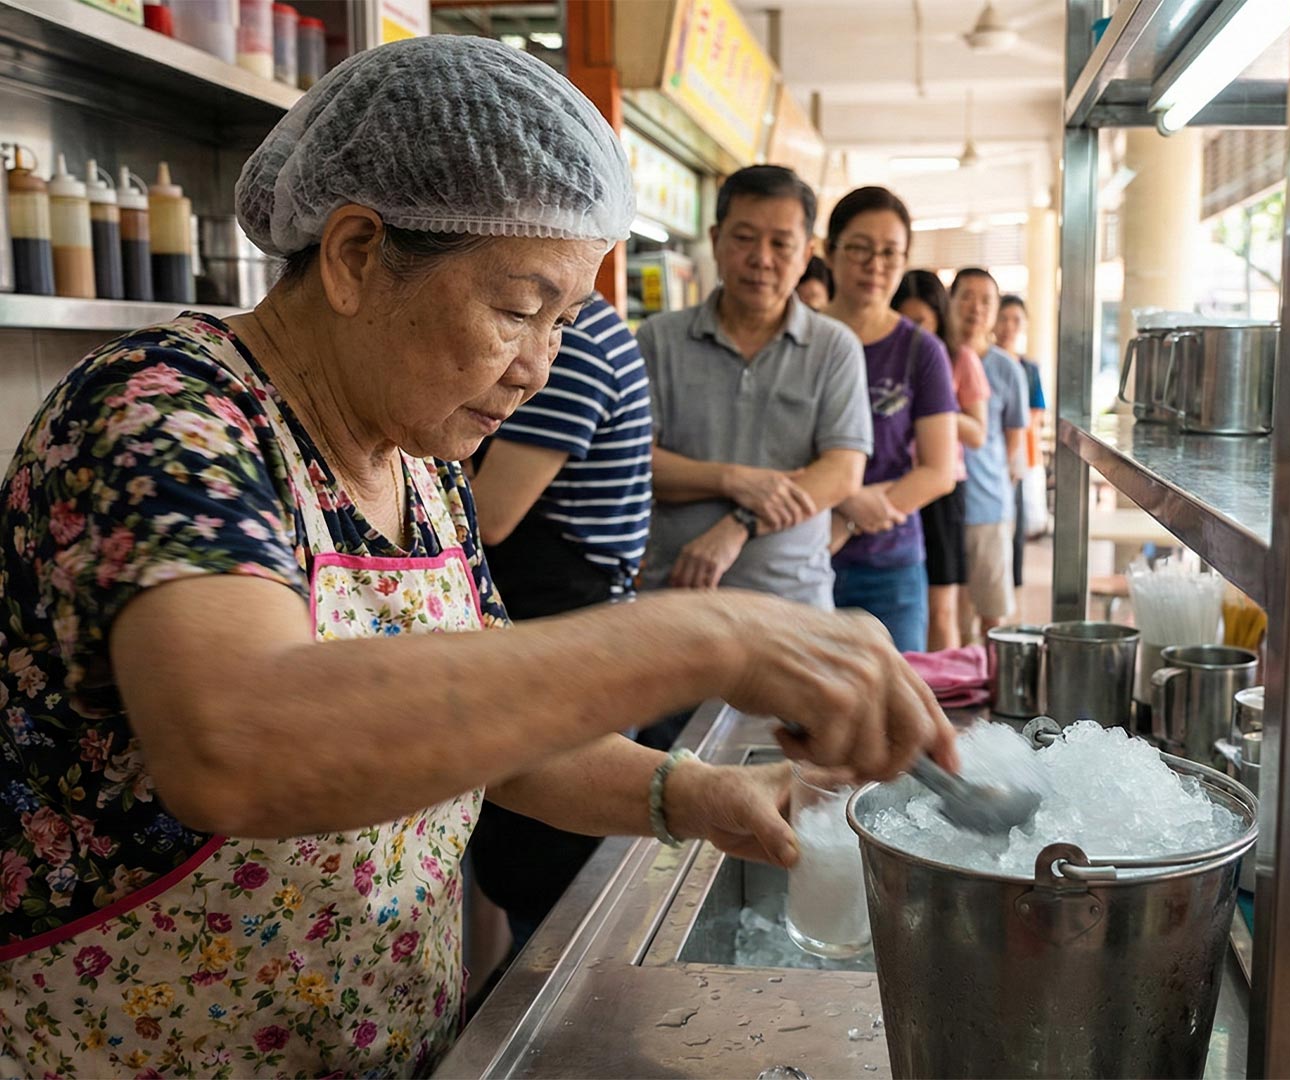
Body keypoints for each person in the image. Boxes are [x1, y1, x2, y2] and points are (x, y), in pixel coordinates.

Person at [0, 39, 953, 1078]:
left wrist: (691, 794)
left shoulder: (417, 461)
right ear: (358, 254)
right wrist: (703, 636)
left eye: (563, 321)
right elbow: (236, 740)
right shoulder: (165, 419)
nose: (538, 368)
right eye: (515, 309)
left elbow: (480, 733)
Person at [465, 293, 652, 953]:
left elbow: (489, 516)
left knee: (550, 899)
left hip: (568, 637)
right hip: (553, 627)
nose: (530, 370)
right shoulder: (587, 330)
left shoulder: (579, 346)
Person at [638, 166, 872, 610]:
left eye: (781, 244)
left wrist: (739, 525)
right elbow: (636, 461)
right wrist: (734, 480)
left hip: (795, 604)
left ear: (806, 254)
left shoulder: (834, 347)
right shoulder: (658, 338)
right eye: (744, 238)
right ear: (715, 240)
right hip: (676, 601)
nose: (762, 258)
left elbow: (841, 472)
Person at [820, 188, 956, 653]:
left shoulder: (922, 351)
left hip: (890, 570)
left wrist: (850, 517)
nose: (875, 264)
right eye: (859, 248)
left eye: (890, 252)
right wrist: (844, 503)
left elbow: (939, 470)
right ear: (829, 250)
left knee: (896, 717)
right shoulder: (797, 338)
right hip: (801, 559)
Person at [893, 269, 989, 650]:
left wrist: (936, 405)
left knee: (941, 608)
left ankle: (940, 701)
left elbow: (979, 433)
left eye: (922, 324)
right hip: (896, 483)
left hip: (944, 490)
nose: (913, 332)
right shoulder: (886, 354)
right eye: (905, 321)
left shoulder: (959, 358)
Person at [949, 268, 1028, 642]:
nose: (976, 308)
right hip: (940, 504)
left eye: (986, 300)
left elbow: (1013, 442)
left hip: (988, 506)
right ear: (951, 301)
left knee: (991, 615)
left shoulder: (1007, 369)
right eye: (966, 296)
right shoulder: (936, 355)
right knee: (949, 613)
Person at [993, 294, 1048, 584]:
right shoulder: (982, 360)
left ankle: (1013, 579)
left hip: (1019, 451)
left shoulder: (1029, 368)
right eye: (1003, 318)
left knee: (1017, 513)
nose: (1009, 326)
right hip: (990, 448)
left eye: (1016, 320)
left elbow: (1036, 412)